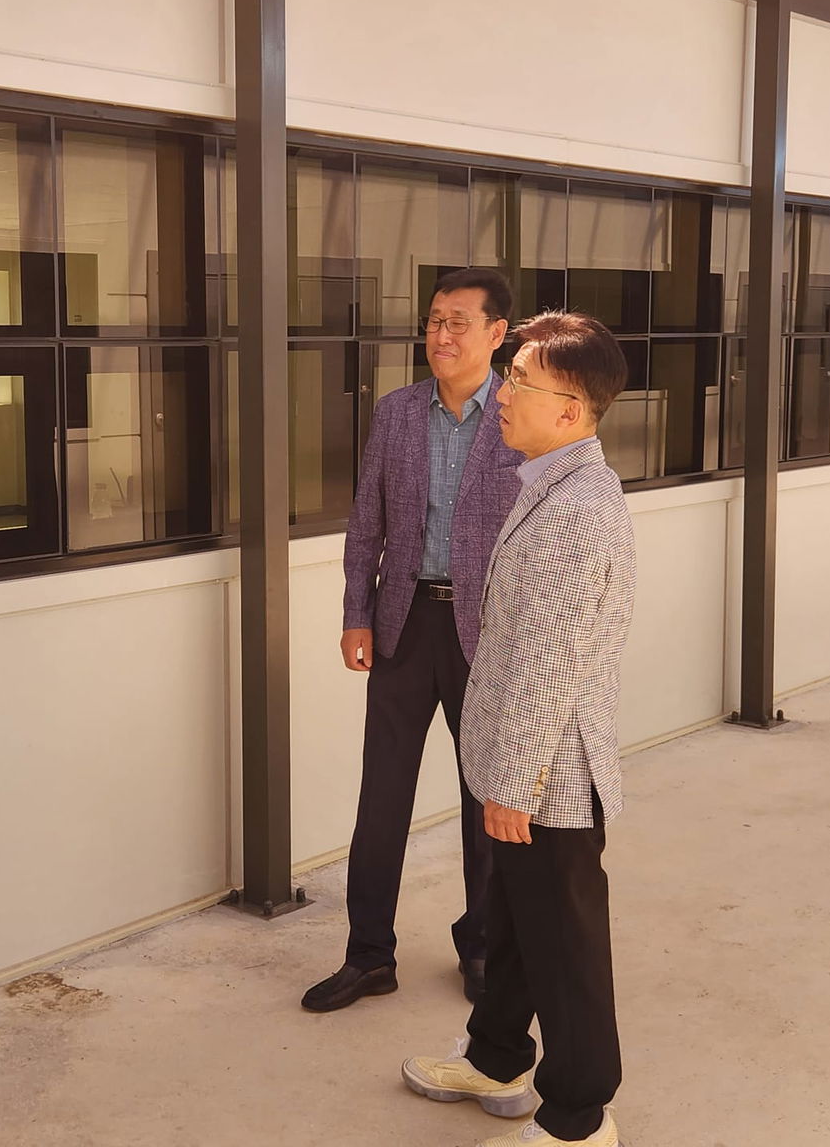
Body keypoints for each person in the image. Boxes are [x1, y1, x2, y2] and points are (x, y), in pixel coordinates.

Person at [400, 311, 635, 1146]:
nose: (502, 395)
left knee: (566, 949)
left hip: (549, 779)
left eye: (520, 382)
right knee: (516, 923)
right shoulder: (551, 481)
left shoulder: (577, 510)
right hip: (520, 764)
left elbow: (547, 662)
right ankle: (497, 1058)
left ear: (569, 410)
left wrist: (514, 785)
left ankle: (578, 1118)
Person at [302, 267, 527, 1013]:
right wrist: (354, 613)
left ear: (498, 335)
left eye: (460, 321)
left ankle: (485, 946)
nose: (442, 334)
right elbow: (367, 521)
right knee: (382, 795)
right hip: (403, 623)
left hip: (486, 631)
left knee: (483, 799)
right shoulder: (397, 412)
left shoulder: (522, 418)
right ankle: (369, 955)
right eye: (435, 320)